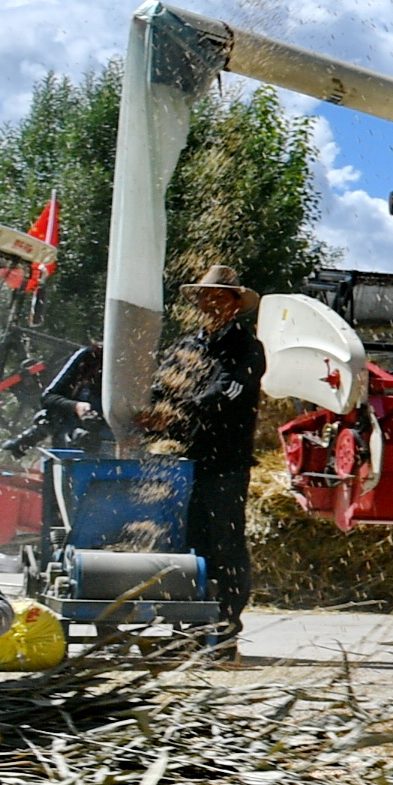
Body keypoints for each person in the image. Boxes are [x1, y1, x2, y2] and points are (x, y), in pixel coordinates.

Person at [139, 263, 266, 656]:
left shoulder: (247, 348)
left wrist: (180, 413)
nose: (211, 304)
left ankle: (225, 631)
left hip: (225, 461)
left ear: (234, 304)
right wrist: (148, 414)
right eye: (205, 298)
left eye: (219, 297)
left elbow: (227, 392)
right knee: (190, 544)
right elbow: (161, 388)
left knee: (225, 544)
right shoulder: (186, 348)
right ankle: (189, 630)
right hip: (183, 463)